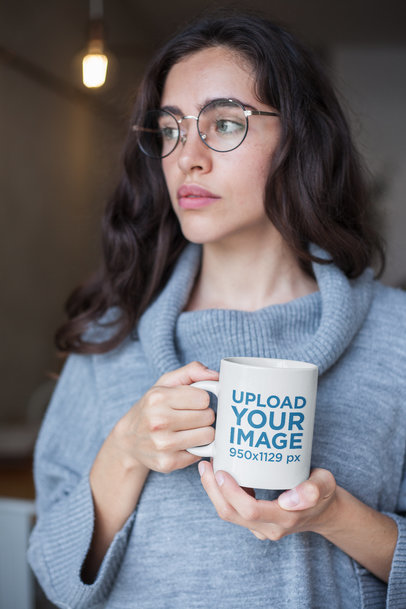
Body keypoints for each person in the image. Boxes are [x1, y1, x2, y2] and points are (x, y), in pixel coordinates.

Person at [28, 12, 406, 609]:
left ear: (301, 136)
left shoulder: (397, 337)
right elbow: (51, 570)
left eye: (225, 123)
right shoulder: (112, 336)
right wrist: (124, 452)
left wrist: (334, 517)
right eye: (170, 129)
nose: (187, 157)